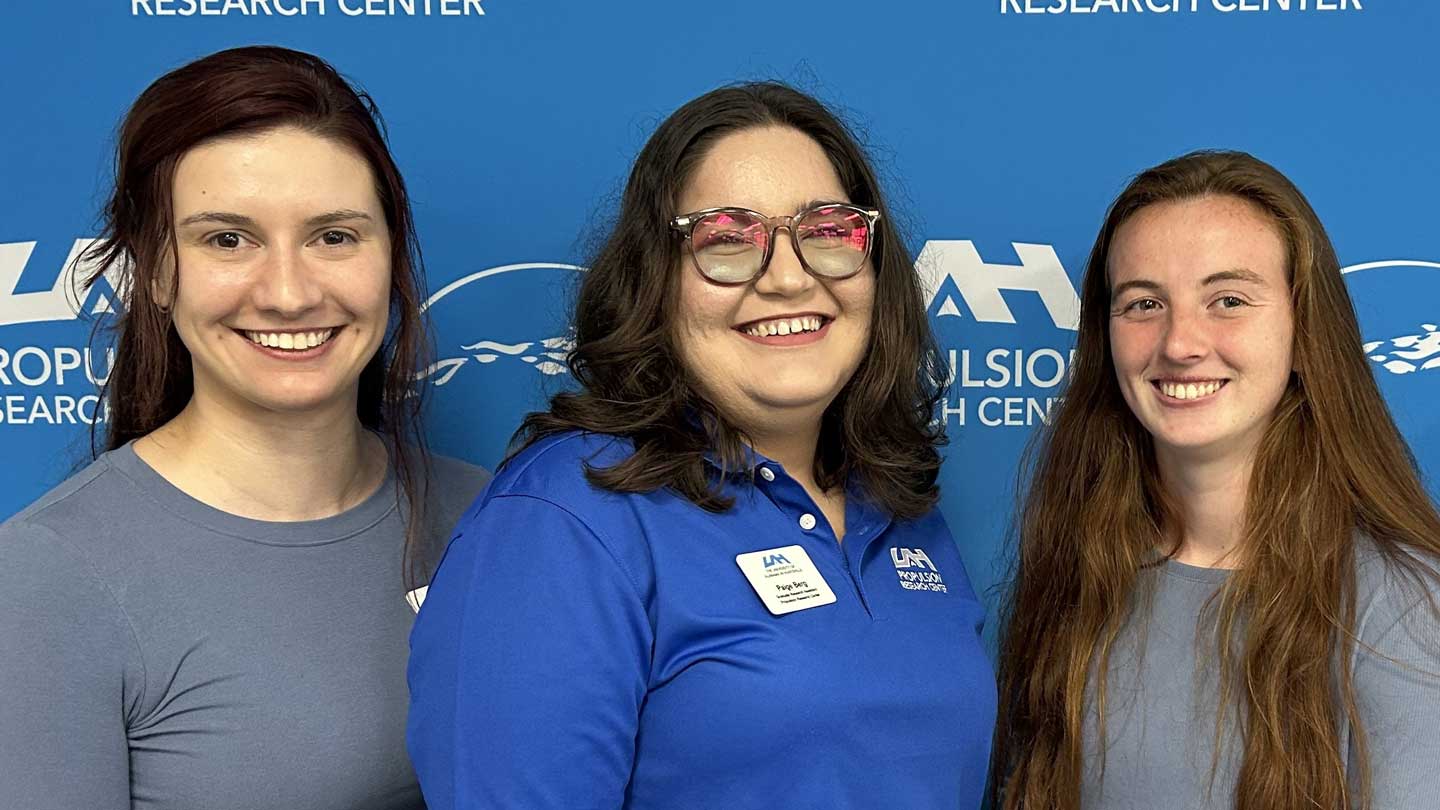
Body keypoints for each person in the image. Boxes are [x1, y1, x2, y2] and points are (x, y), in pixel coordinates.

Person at [407, 82, 996, 810]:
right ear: (657, 280)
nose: (788, 276)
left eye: (827, 232)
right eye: (726, 240)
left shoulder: (899, 505)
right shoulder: (566, 517)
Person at [0, 46, 489, 810]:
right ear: (158, 270)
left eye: (334, 235)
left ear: (389, 256)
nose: (289, 293)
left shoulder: (494, 518)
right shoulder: (45, 580)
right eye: (227, 239)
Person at [991, 150, 1440, 810]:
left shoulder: (1401, 603)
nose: (1180, 343)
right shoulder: (1075, 571)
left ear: (1303, 330)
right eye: (1144, 304)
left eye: (1228, 300)